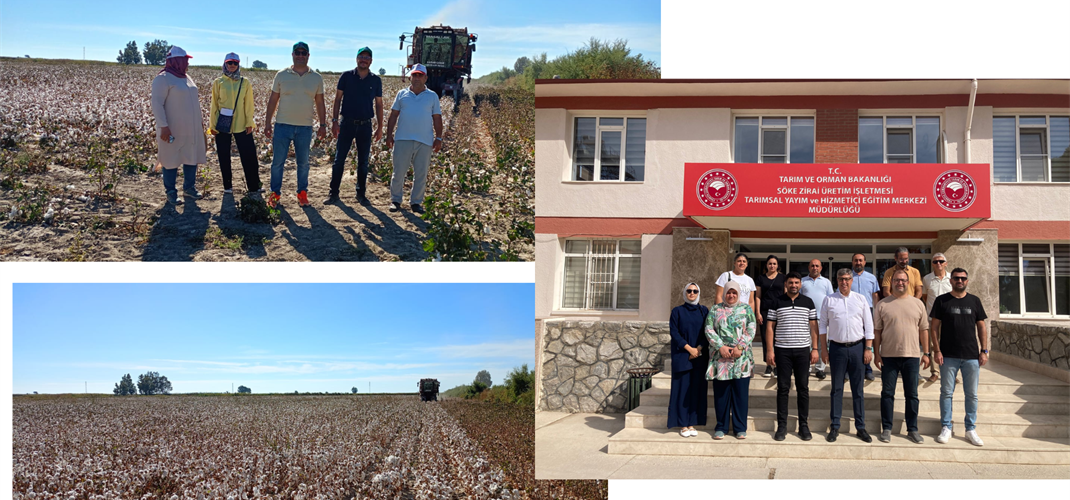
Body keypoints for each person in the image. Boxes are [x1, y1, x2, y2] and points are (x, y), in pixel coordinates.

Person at [264, 41, 327, 208]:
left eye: (303, 53)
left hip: (305, 128)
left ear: (308, 55)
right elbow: (273, 100)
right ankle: (275, 194)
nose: (300, 55)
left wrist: (323, 124)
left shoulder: (316, 77)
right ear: (292, 55)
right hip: (282, 126)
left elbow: (320, 103)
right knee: (278, 162)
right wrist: (267, 122)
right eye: (297, 53)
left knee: (304, 163)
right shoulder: (281, 75)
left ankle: (302, 193)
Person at [931, 267, 988, 447]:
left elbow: (981, 327)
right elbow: (934, 328)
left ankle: (970, 429)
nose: (960, 281)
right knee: (947, 393)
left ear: (967, 281)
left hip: (971, 356)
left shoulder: (975, 301)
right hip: (948, 356)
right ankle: (946, 427)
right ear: (951, 280)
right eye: (956, 278)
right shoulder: (942, 301)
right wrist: (937, 350)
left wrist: (984, 350)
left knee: (971, 394)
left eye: (963, 278)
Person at [874, 269, 930, 444]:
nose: (900, 283)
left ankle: (912, 429)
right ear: (892, 283)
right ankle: (887, 428)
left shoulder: (918, 304)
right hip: (889, 356)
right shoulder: (882, 305)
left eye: (903, 280)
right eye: (897, 280)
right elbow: (877, 332)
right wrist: (876, 353)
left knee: (912, 395)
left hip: (912, 356)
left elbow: (924, 330)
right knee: (887, 394)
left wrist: (927, 353)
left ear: (909, 282)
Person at [819, 268, 874, 443]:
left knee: (858, 390)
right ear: (837, 280)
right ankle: (835, 426)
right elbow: (822, 327)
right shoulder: (829, 300)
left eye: (847, 279)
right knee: (836, 389)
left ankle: (860, 427)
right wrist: (824, 350)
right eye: (841, 279)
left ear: (852, 281)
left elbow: (869, 326)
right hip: (837, 349)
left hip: (858, 348)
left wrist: (868, 349)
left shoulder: (861, 299)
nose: (844, 282)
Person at [326, 46, 383, 205]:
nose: (363, 60)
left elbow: (379, 104)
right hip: (346, 124)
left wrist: (380, 127)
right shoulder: (346, 76)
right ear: (356, 59)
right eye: (361, 57)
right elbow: (337, 100)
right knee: (339, 160)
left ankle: (361, 194)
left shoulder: (375, 80)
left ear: (371, 61)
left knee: (363, 162)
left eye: (367, 57)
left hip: (365, 125)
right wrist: (335, 121)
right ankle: (333, 193)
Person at [765, 272, 818, 441]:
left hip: (803, 351)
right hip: (783, 351)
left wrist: (815, 349)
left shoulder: (808, 302)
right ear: (786, 284)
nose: (794, 285)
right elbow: (770, 328)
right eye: (790, 282)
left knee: (803, 388)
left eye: (796, 282)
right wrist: (769, 350)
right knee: (782, 388)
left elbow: (814, 327)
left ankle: (804, 425)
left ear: (800, 284)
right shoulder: (777, 302)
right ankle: (782, 426)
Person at [150, 46, 206, 205]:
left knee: (190, 157)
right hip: (172, 129)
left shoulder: (186, 78)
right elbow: (157, 104)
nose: (187, 63)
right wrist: (163, 126)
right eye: (185, 60)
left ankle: (189, 188)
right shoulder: (163, 79)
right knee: (170, 159)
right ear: (176, 61)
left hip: (191, 129)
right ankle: (171, 192)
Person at [384, 64, 443, 213]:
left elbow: (437, 118)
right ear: (410, 77)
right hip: (403, 139)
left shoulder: (432, 96)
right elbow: (393, 115)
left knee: (421, 174)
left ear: (425, 78)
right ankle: (395, 200)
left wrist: (439, 138)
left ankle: (416, 202)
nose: (417, 78)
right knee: (398, 172)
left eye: (420, 75)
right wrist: (389, 135)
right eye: (414, 75)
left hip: (425, 141)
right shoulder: (401, 94)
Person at [705, 281, 756, 440]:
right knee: (721, 395)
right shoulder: (716, 309)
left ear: (738, 293)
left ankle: (740, 428)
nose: (731, 295)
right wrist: (720, 346)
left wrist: (740, 347)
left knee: (740, 395)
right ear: (724, 293)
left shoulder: (746, 309)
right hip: (721, 359)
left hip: (741, 359)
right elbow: (708, 328)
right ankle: (721, 427)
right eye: (728, 292)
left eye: (734, 292)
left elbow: (751, 327)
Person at [208, 53, 261, 197]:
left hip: (241, 124)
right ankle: (227, 186)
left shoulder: (245, 82)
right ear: (225, 64)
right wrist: (212, 125)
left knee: (249, 155)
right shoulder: (218, 82)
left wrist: (250, 122)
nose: (232, 65)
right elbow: (214, 105)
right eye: (229, 62)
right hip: (222, 124)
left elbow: (249, 104)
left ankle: (254, 185)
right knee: (223, 155)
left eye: (235, 63)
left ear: (239, 65)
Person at [668, 282, 710, 437]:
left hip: (699, 356)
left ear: (699, 293)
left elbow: (708, 331)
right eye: (689, 291)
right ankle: (682, 424)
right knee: (682, 390)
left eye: (695, 291)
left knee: (696, 390)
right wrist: (689, 348)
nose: (692, 293)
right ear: (684, 292)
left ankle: (692, 422)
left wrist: (698, 349)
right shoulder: (677, 311)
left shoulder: (704, 311)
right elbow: (674, 332)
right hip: (682, 355)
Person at [801, 259, 834, 380]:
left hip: (822, 318)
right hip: (805, 318)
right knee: (806, 343)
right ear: (809, 267)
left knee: (822, 344)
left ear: (821, 268)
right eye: (812, 266)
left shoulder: (826, 282)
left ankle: (820, 368)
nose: (815, 268)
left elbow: (831, 300)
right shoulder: (802, 281)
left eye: (817, 266)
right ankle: (807, 368)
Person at [921, 253, 952, 383]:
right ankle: (935, 372)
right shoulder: (927, 279)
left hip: (950, 318)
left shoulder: (952, 278)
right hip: (932, 318)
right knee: (934, 345)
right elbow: (925, 297)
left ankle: (950, 373)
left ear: (945, 263)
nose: (938, 263)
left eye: (941, 261)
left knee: (949, 345)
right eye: (935, 262)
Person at [850, 253, 881, 381]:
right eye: (856, 260)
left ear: (865, 262)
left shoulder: (871, 278)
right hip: (850, 311)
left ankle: (867, 369)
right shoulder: (847, 277)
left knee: (867, 341)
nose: (858, 263)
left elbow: (875, 296)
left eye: (860, 260)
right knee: (850, 341)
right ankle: (849, 370)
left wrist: (877, 314)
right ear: (852, 262)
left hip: (867, 311)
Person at [756, 254, 785, 378]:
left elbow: (785, 295)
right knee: (765, 338)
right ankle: (768, 365)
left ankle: (778, 365)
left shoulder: (783, 278)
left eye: (774, 263)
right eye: (770, 263)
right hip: (765, 311)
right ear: (766, 265)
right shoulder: (761, 278)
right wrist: (757, 312)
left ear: (777, 265)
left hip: (779, 310)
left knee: (778, 338)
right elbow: (757, 296)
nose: (772, 265)